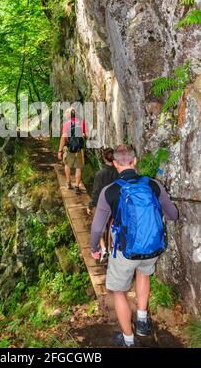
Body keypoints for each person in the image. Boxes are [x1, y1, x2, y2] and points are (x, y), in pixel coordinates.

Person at [90, 144, 178, 347]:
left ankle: (128, 340)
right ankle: (141, 321)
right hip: (151, 248)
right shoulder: (153, 185)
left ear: (115, 163)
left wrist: (94, 248)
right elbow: (173, 215)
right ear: (135, 161)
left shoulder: (109, 191)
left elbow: (97, 228)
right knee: (144, 274)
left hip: (124, 252)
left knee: (119, 292)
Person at [87, 148, 119, 262]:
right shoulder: (119, 172)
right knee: (111, 225)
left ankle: (103, 248)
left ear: (104, 158)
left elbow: (96, 192)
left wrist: (90, 205)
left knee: (99, 226)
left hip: (103, 204)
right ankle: (111, 248)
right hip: (116, 204)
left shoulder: (100, 174)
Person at [58, 108, 88, 195]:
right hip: (79, 149)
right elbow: (86, 136)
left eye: (66, 112)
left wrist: (60, 151)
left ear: (68, 114)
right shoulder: (82, 123)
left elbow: (63, 138)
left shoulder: (66, 124)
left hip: (69, 148)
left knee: (67, 165)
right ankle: (77, 187)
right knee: (78, 168)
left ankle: (68, 183)